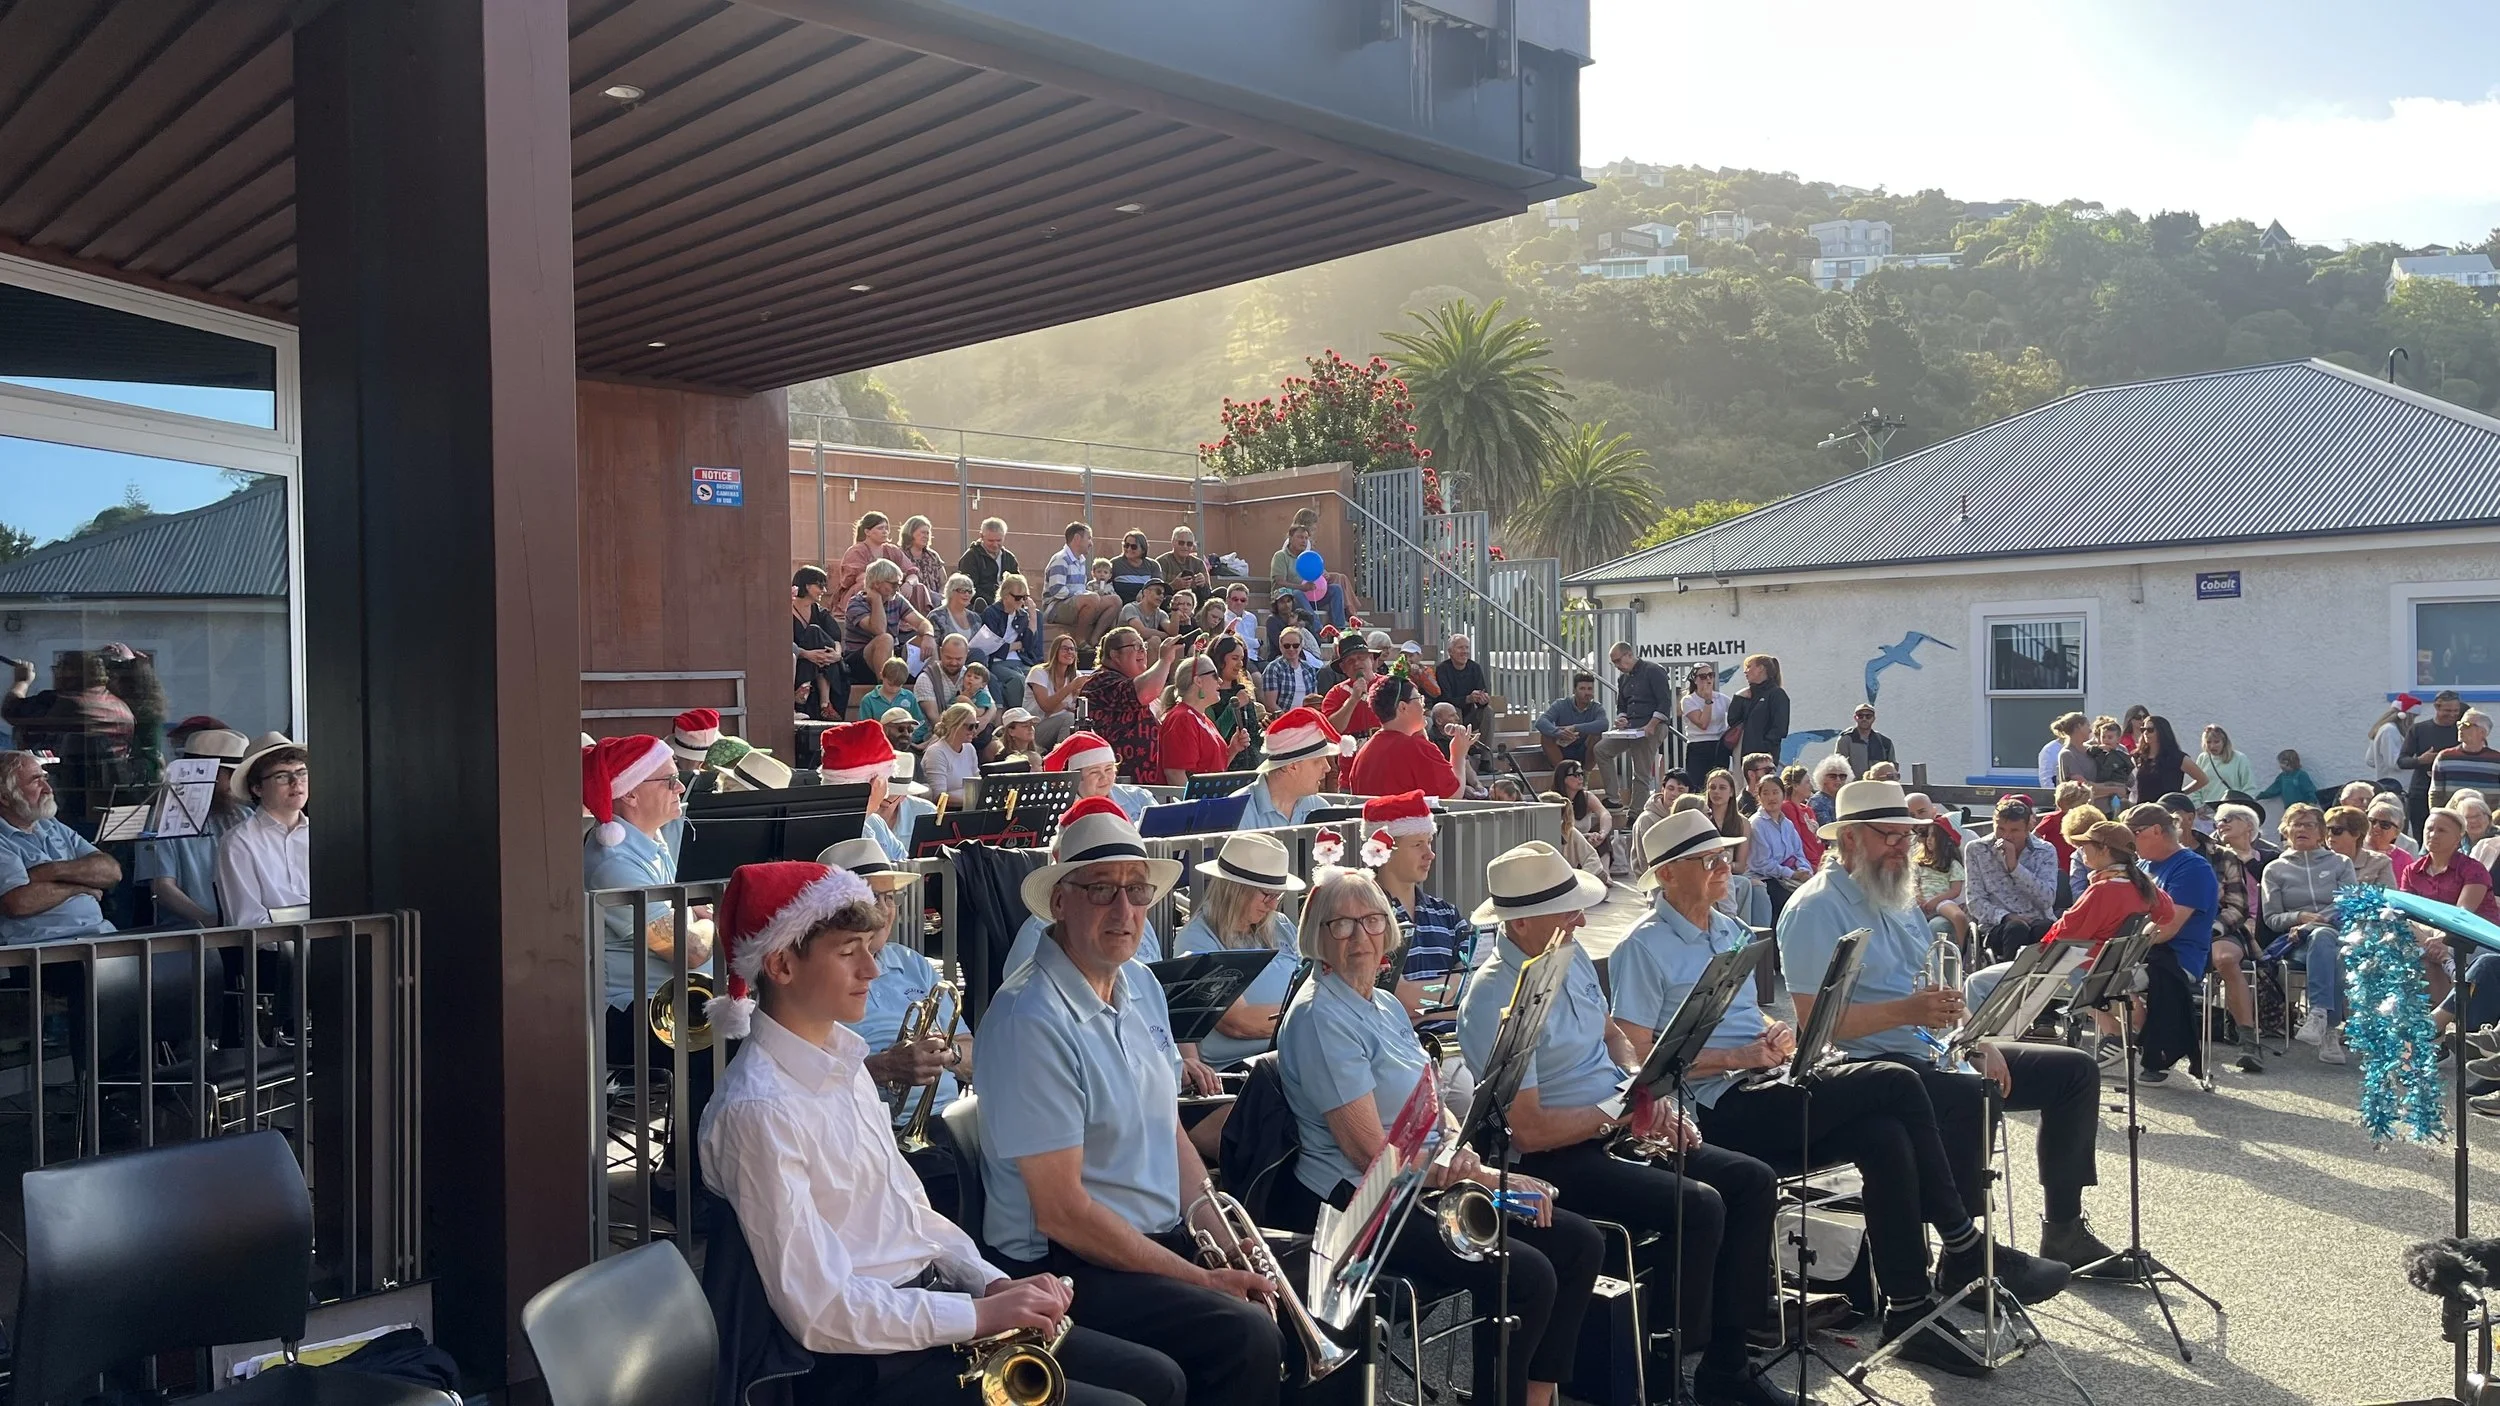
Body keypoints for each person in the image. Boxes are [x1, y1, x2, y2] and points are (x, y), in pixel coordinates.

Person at [695, 860, 1182, 1406]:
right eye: (848, 952)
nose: (871, 969)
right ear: (782, 965)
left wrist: (990, 1281)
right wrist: (977, 1315)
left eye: (868, 948)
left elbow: (911, 1215)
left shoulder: (844, 1064)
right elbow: (821, 1310)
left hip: (925, 1312)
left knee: (1158, 1378)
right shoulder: (758, 1110)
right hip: (864, 1364)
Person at [1612, 811, 2057, 1376]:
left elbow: (1749, 1018)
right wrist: (1738, 1057)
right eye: (1709, 860)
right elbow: (1639, 1066)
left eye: (1725, 855)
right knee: (1894, 1080)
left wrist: (1773, 1036)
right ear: (1668, 874)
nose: (1725, 866)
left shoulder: (1729, 928)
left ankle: (1908, 1308)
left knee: (1884, 1134)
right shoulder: (1642, 946)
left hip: (1761, 1084)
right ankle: (1963, 1243)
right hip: (1713, 1108)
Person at [1455, 841, 1801, 1406]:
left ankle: (1727, 1363)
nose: (1580, 919)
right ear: (1520, 923)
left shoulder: (1563, 955)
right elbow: (1529, 1131)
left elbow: (1614, 1035)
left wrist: (1644, 1087)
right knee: (1699, 1206)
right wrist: (1618, 1112)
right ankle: (1663, 1377)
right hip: (1553, 1157)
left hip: (1608, 1127)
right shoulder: (1494, 994)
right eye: (1567, 910)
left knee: (1751, 1181)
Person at [972, 800, 1286, 1405]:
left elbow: (1170, 1131)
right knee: (1245, 1337)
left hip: (1148, 1241)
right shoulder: (1028, 1018)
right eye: (1101, 890)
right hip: (1065, 1266)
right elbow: (1063, 1213)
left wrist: (1221, 1236)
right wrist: (1202, 1277)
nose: (1124, 910)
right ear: (1059, 902)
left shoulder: (1140, 982)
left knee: (1296, 1293)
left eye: (1137, 891)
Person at [1275, 866, 1600, 1406]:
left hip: (1421, 1179)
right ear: (1317, 935)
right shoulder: (1319, 1016)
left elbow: (1431, 1102)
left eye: (1372, 920)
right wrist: (1483, 1176)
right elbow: (1369, 1154)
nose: (1360, 936)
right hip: (1360, 1204)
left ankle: (1536, 1397)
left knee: (1577, 1242)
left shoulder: (1382, 1003)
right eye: (1342, 925)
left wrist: (1460, 1147)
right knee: (1527, 1275)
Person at [1779, 781, 2106, 1281]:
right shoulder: (1814, 909)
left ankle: (2064, 1228)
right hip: (1868, 1063)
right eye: (1889, 835)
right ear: (1848, 838)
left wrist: (1979, 1040)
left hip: (1934, 1048)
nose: (1901, 847)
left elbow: (1942, 986)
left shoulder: (1895, 893)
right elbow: (1814, 1026)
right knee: (1970, 1093)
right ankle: (1965, 1257)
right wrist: (1907, 1011)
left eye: (1907, 836)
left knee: (2075, 1072)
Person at [1965, 811, 2173, 1058]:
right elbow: (2167, 914)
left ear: (2104, 850)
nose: (2080, 850)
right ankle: (2115, 1032)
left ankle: (1978, 1054)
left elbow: (2066, 936)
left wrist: (2030, 955)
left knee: (1976, 982)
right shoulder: (2142, 885)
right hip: (2109, 969)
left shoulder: (2103, 890)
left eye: (2085, 845)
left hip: (2075, 969)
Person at [1172, 832, 1304, 1070]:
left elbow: (1313, 984)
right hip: (1242, 1067)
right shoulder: (1198, 939)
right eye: (1266, 894)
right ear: (1235, 889)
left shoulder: (1281, 925)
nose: (1273, 904)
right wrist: (1311, 1015)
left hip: (1292, 1050)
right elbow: (1239, 1023)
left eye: (1278, 894)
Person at [2118, 804, 2220, 1081]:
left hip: (2177, 957)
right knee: (2081, 971)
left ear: (2156, 830)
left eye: (2133, 834)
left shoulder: (2193, 868)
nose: (2128, 843)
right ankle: (2133, 1034)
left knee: (2106, 977)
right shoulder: (2142, 865)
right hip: (2142, 952)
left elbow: (2167, 928)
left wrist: (2120, 951)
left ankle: (2140, 1038)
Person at [3, 650, 135, 831]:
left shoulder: (58, 702)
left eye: (58, 668)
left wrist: (22, 681)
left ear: (68, 672)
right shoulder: (122, 707)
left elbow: (11, 710)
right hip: (110, 801)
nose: (55, 674)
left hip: (62, 800)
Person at [0, 750, 120, 944]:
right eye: (35, 781)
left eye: (45, 779)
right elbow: (18, 903)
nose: (48, 789)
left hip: (101, 935)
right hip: (47, 948)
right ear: (4, 797)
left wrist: (51, 871)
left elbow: (111, 871)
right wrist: (80, 886)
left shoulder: (50, 825)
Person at [134, 727, 249, 927]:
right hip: (188, 933)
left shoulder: (244, 815)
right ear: (205, 774)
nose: (236, 785)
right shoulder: (161, 820)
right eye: (231, 775)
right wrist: (208, 921)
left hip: (247, 926)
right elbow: (162, 887)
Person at [216, 734, 311, 928]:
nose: (296, 782)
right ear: (257, 788)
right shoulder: (239, 842)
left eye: (301, 773)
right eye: (282, 776)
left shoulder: (322, 834)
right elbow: (247, 921)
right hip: (272, 945)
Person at [1079, 628, 1186, 783]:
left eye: (1144, 646)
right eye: (1136, 646)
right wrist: (1164, 660)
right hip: (1116, 784)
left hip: (1144, 783)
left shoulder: (1128, 682)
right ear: (1115, 655)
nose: (1142, 650)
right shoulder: (1100, 682)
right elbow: (1145, 692)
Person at [1962, 794, 2060, 961]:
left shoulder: (2045, 850)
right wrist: (2005, 916)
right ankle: (2009, 976)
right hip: (1997, 925)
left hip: (2037, 919)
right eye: (2000, 829)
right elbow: (1975, 901)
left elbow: (2047, 899)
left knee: (2046, 930)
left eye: (2014, 830)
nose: (2006, 836)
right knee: (2016, 929)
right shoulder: (1977, 849)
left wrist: (2015, 868)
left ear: (2028, 828)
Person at [1346, 671, 1470, 799]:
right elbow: (1452, 796)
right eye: (1419, 699)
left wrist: (1419, 732)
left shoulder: (1365, 751)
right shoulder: (1417, 748)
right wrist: (1458, 755)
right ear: (1403, 707)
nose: (1423, 705)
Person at [1593, 642, 1676, 810]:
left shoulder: (1653, 670)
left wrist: (1651, 725)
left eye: (1618, 661)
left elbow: (1664, 703)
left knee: (1641, 772)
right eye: (1614, 663)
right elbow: (1622, 706)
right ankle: (1613, 799)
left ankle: (1636, 813)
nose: (1617, 666)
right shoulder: (1623, 678)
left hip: (1653, 726)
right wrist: (1621, 719)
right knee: (1601, 750)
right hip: (1631, 728)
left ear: (1629, 655)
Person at [844, 559, 938, 695]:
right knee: (885, 639)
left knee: (927, 639)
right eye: (894, 584)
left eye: (899, 584)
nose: (897, 589)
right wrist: (876, 600)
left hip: (891, 656)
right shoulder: (856, 603)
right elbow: (879, 630)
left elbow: (922, 623)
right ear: (877, 583)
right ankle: (885, 690)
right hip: (860, 661)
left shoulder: (896, 599)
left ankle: (931, 691)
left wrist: (928, 636)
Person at [1233, 708, 1339, 828]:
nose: (1327, 767)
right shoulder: (1237, 811)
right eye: (1317, 761)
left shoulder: (1319, 808)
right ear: (1292, 766)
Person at [1157, 655, 1247, 787]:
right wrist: (1193, 800)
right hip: (1194, 800)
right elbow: (1175, 774)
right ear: (1198, 681)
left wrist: (1233, 749)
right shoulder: (1182, 718)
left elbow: (1214, 771)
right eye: (1215, 675)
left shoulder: (1201, 718)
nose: (1220, 680)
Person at [1044, 732, 1157, 824]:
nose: (1104, 777)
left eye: (1108, 769)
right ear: (1077, 777)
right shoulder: (1061, 809)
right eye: (1094, 772)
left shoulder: (1138, 797)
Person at [1043, 523, 1123, 651]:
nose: (1091, 543)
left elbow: (1080, 591)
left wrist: (1086, 596)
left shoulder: (1080, 560)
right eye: (1089, 538)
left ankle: (1094, 639)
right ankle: (1079, 640)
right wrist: (1083, 596)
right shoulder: (1060, 559)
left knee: (1115, 601)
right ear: (1077, 538)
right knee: (1092, 598)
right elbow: (1057, 590)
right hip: (1055, 608)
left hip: (1075, 604)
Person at [2401, 691, 2469, 832]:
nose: (2452, 714)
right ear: (2437, 707)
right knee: (2423, 835)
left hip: (2453, 792)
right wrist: (2420, 760)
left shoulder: (2463, 731)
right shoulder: (2419, 729)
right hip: (2422, 792)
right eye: (2447, 711)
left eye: (2456, 711)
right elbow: (2402, 761)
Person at [976, 572, 1044, 709]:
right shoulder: (992, 613)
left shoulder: (1022, 615)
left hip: (1020, 661)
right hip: (997, 662)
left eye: (1025, 597)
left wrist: (1033, 617)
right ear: (1005, 596)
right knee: (1017, 680)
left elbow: (1029, 646)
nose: (1022, 601)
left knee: (1039, 676)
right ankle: (1018, 716)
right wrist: (1017, 645)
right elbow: (991, 647)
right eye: (1018, 597)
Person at [1269, 516, 1348, 628]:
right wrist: (1302, 587)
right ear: (1290, 538)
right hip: (1288, 598)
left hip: (1310, 595)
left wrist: (1324, 575)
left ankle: (1340, 628)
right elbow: (1279, 582)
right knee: (1297, 593)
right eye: (1300, 537)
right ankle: (1318, 629)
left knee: (1336, 589)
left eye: (1306, 538)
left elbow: (1316, 574)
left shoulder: (1309, 557)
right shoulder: (1281, 556)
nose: (1304, 541)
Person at [1912, 816, 1970, 953]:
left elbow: (1955, 890)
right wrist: (1920, 898)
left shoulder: (1953, 865)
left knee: (1959, 917)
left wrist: (1935, 900)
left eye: (1934, 836)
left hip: (1941, 900)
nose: (1929, 839)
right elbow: (1914, 884)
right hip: (1920, 902)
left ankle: (1964, 954)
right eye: (1928, 835)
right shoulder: (1919, 863)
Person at [792, 566, 843, 719]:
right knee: (813, 632)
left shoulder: (819, 612)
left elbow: (835, 638)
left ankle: (805, 687)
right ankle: (825, 704)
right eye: (820, 585)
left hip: (825, 661)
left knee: (816, 634)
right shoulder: (786, 610)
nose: (824, 590)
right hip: (799, 660)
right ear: (807, 586)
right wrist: (807, 654)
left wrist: (837, 654)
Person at [833, 511, 916, 603]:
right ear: (867, 532)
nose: (885, 531)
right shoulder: (856, 551)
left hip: (891, 588)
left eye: (886, 528)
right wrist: (887, 585)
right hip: (864, 590)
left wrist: (909, 583)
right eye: (880, 528)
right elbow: (862, 578)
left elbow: (912, 572)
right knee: (865, 586)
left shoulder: (892, 550)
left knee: (918, 588)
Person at [1724, 654, 1789, 769]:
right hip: (1743, 756)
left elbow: (1780, 728)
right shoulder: (1747, 695)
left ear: (1761, 668)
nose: (1745, 671)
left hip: (1764, 758)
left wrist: (1764, 748)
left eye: (1749, 666)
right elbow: (1732, 721)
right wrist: (1738, 697)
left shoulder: (1777, 694)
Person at [1027, 633, 1088, 753]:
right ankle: (1060, 759)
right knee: (1069, 718)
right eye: (1065, 648)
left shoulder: (1076, 676)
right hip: (1034, 729)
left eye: (1072, 649)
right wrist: (1071, 687)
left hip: (1062, 727)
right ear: (1055, 651)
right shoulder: (1039, 672)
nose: (1069, 652)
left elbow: (1077, 708)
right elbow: (1046, 706)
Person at [916, 634, 990, 730]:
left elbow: (992, 706)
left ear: (966, 654)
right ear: (941, 652)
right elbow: (934, 718)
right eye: (949, 658)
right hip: (939, 733)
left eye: (958, 659)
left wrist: (982, 721)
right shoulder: (926, 679)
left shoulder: (973, 676)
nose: (953, 663)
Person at [1535, 672, 1606, 771]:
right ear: (1574, 690)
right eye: (1582, 688)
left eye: (1590, 689)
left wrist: (1575, 728)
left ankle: (1586, 774)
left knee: (1597, 735)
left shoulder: (1596, 707)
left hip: (1584, 750)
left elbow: (1604, 724)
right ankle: (1563, 772)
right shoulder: (1561, 704)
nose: (1587, 692)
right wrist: (1559, 733)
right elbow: (1541, 722)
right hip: (1561, 749)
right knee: (1546, 736)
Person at [2432, 710, 2500, 809]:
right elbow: (2435, 793)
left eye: (2466, 725)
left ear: (2482, 732)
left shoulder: (2497, 760)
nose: (2460, 728)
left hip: (2487, 817)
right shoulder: (2445, 757)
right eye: (2459, 724)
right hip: (2453, 816)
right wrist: (2437, 813)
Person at [1434, 635, 1495, 742]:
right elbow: (1445, 699)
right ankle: (1459, 748)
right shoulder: (1442, 669)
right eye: (1460, 648)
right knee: (1454, 711)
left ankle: (1485, 750)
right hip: (1450, 714)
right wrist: (1468, 699)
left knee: (1488, 711)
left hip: (1470, 714)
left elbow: (1482, 693)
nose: (1465, 651)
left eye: (1467, 648)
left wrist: (1483, 700)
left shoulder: (1475, 668)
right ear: (1450, 652)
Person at [1678, 663, 1733, 783]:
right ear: (1695, 680)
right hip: (1698, 746)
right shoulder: (1688, 700)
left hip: (1719, 745)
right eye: (1703, 676)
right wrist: (1708, 700)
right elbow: (1703, 724)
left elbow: (1736, 714)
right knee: (1698, 783)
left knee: (1720, 781)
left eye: (1711, 675)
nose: (1708, 679)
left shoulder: (1722, 698)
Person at [2131, 716, 2204, 806]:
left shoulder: (2177, 758)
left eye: (2150, 730)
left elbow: (2202, 779)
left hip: (2169, 809)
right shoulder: (2138, 757)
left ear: (2162, 732)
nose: (2145, 733)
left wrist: (2182, 793)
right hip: (2144, 809)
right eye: (2143, 729)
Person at [920, 703, 982, 806]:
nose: (975, 731)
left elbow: (977, 784)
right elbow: (938, 797)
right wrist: (974, 799)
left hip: (967, 809)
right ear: (955, 726)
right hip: (945, 812)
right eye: (970, 727)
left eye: (976, 725)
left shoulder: (969, 748)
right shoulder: (936, 752)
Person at [955, 515, 1020, 612]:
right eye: (991, 541)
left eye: (999, 540)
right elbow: (968, 587)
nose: (995, 545)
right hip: (980, 606)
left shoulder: (1009, 558)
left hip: (1007, 605)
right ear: (981, 536)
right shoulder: (971, 557)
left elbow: (1018, 584)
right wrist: (994, 603)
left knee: (1036, 614)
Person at [862, 658, 927, 746]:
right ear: (882, 676)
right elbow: (865, 729)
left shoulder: (909, 697)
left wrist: (909, 738)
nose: (894, 689)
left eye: (898, 685)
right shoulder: (868, 700)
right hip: (879, 745)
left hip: (906, 744)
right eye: (890, 684)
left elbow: (921, 725)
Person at [2326, 804, 2394, 887]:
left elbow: (2388, 893)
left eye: (2336, 830)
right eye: (2326, 829)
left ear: (2356, 834)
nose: (2329, 834)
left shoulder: (2380, 863)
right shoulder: (2317, 861)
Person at [1257, 626, 1318, 714]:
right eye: (1287, 646)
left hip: (1307, 718)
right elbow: (1270, 705)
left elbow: (1314, 701)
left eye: (1295, 645)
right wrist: (1289, 719)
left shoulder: (1309, 668)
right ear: (1280, 646)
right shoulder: (1273, 669)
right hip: (1283, 719)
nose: (1291, 649)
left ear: (1301, 646)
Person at [2366, 696, 2420, 791]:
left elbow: (2370, 760)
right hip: (2397, 786)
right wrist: (2418, 761)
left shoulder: (2384, 728)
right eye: (2413, 717)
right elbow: (2395, 762)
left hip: (2389, 783)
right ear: (2406, 716)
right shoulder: (2390, 731)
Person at [2190, 725, 2254, 805]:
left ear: (2224, 742)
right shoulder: (2202, 758)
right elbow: (2196, 787)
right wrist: (2198, 805)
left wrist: (2244, 806)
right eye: (2208, 742)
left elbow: (2249, 786)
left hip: (2232, 808)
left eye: (2216, 742)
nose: (2212, 746)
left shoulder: (2240, 758)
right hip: (2208, 809)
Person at [2085, 716, 2135, 809]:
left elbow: (2130, 767)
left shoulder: (2121, 753)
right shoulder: (2098, 751)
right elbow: (2088, 750)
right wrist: (2099, 748)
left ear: (2118, 739)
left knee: (2117, 802)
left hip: (2117, 781)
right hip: (2103, 783)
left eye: (2110, 737)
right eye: (2103, 737)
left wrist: (2123, 776)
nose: (2106, 740)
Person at [2255, 749, 2320, 815]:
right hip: (2289, 809)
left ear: (2289, 763)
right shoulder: (2282, 777)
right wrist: (2260, 796)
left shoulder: (2301, 775)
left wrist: (2311, 804)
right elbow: (2273, 789)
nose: (2280, 766)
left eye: (2282, 763)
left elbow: (2309, 790)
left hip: (2303, 809)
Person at [1835, 704, 1894, 777]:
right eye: (1860, 716)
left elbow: (1892, 767)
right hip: (1854, 783)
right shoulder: (1846, 739)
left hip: (1878, 783)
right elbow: (1839, 766)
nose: (1864, 719)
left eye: (1868, 716)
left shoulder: (1884, 742)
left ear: (1873, 718)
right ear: (1855, 718)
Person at [1155, 526, 1211, 600]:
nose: (1185, 547)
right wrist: (1173, 586)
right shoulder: (1162, 562)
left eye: (1189, 544)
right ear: (1173, 543)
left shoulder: (1199, 563)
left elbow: (1208, 594)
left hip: (1194, 600)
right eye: (1181, 543)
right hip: (1172, 601)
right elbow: (1156, 592)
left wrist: (1202, 585)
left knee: (1221, 591)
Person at [931, 574, 984, 649]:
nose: (967, 594)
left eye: (969, 591)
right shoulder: (936, 616)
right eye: (962, 590)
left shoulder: (975, 618)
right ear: (951, 591)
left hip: (972, 655)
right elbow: (933, 647)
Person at [1107, 531, 1160, 604]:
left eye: (1133, 547)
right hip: (1121, 604)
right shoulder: (1114, 564)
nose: (1129, 549)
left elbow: (1157, 587)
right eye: (1126, 545)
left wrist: (1143, 592)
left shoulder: (1153, 565)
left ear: (1143, 549)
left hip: (1144, 604)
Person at [1118, 578, 1173, 650]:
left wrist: (1175, 610)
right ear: (1146, 592)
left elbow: (1172, 631)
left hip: (1140, 647)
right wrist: (1166, 635)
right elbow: (1142, 632)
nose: (1162, 596)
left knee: (1176, 645)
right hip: (1123, 647)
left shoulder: (1161, 613)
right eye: (1158, 592)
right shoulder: (1130, 608)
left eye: (1164, 594)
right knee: (1155, 640)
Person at [2040, 712, 2088, 789]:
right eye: (2087, 725)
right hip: (2061, 791)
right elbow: (2046, 778)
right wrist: (2054, 793)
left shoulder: (2084, 747)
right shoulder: (2049, 750)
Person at [1808, 754, 1852, 829]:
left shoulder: (1844, 799)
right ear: (1823, 778)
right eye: (1833, 776)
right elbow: (1827, 830)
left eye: (1842, 776)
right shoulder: (1817, 801)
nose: (1838, 780)